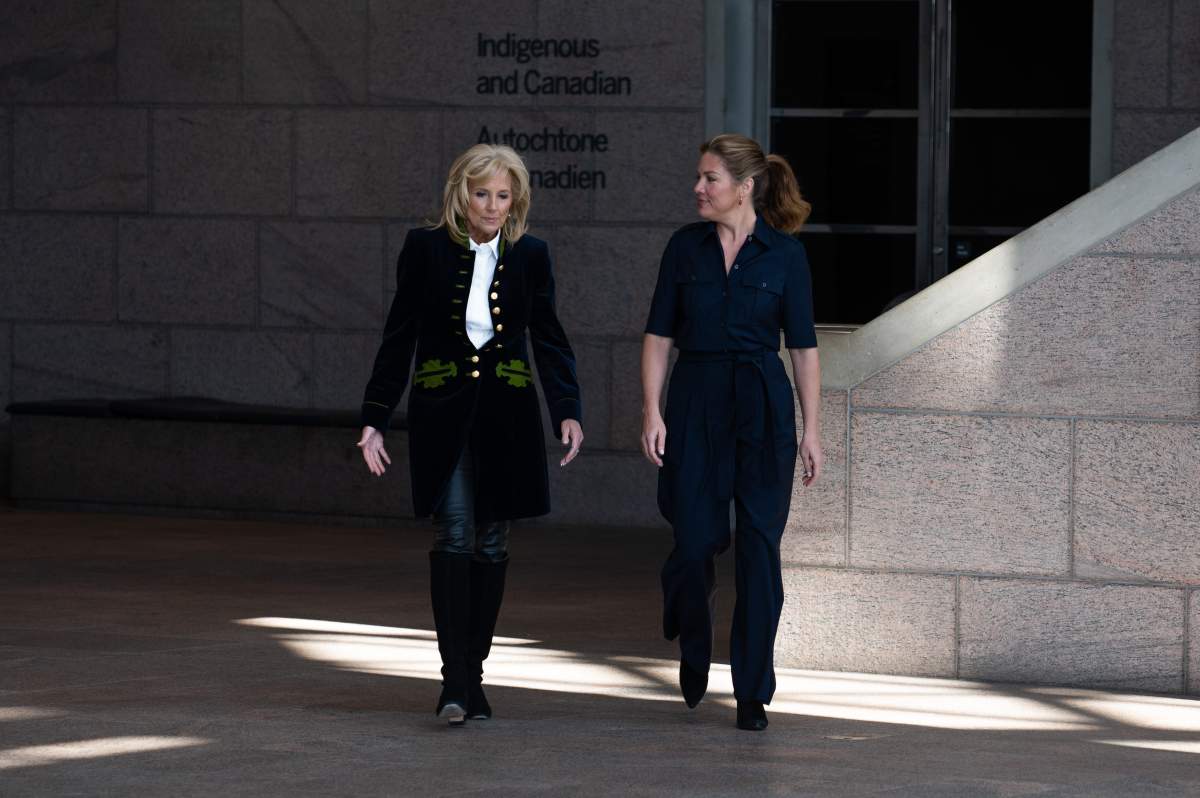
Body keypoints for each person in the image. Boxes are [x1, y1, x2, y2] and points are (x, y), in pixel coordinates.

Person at [357, 143, 584, 726]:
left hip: (508, 413)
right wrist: (375, 416)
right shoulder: (425, 248)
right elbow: (398, 335)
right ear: (462, 193)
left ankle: (474, 673)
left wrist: (567, 409)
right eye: (481, 193)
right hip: (443, 411)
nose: (491, 205)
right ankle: (453, 677)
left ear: (516, 201)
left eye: (502, 195)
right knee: (454, 529)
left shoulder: (532, 255)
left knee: (493, 542)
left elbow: (550, 339)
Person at [640, 134, 822, 732]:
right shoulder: (683, 249)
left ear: (744, 188)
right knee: (695, 541)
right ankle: (693, 635)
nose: (698, 188)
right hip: (695, 400)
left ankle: (752, 690)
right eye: (699, 177)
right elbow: (659, 336)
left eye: (709, 179)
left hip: (762, 404)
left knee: (758, 549)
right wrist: (651, 409)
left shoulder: (785, 256)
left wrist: (812, 430)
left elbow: (802, 347)